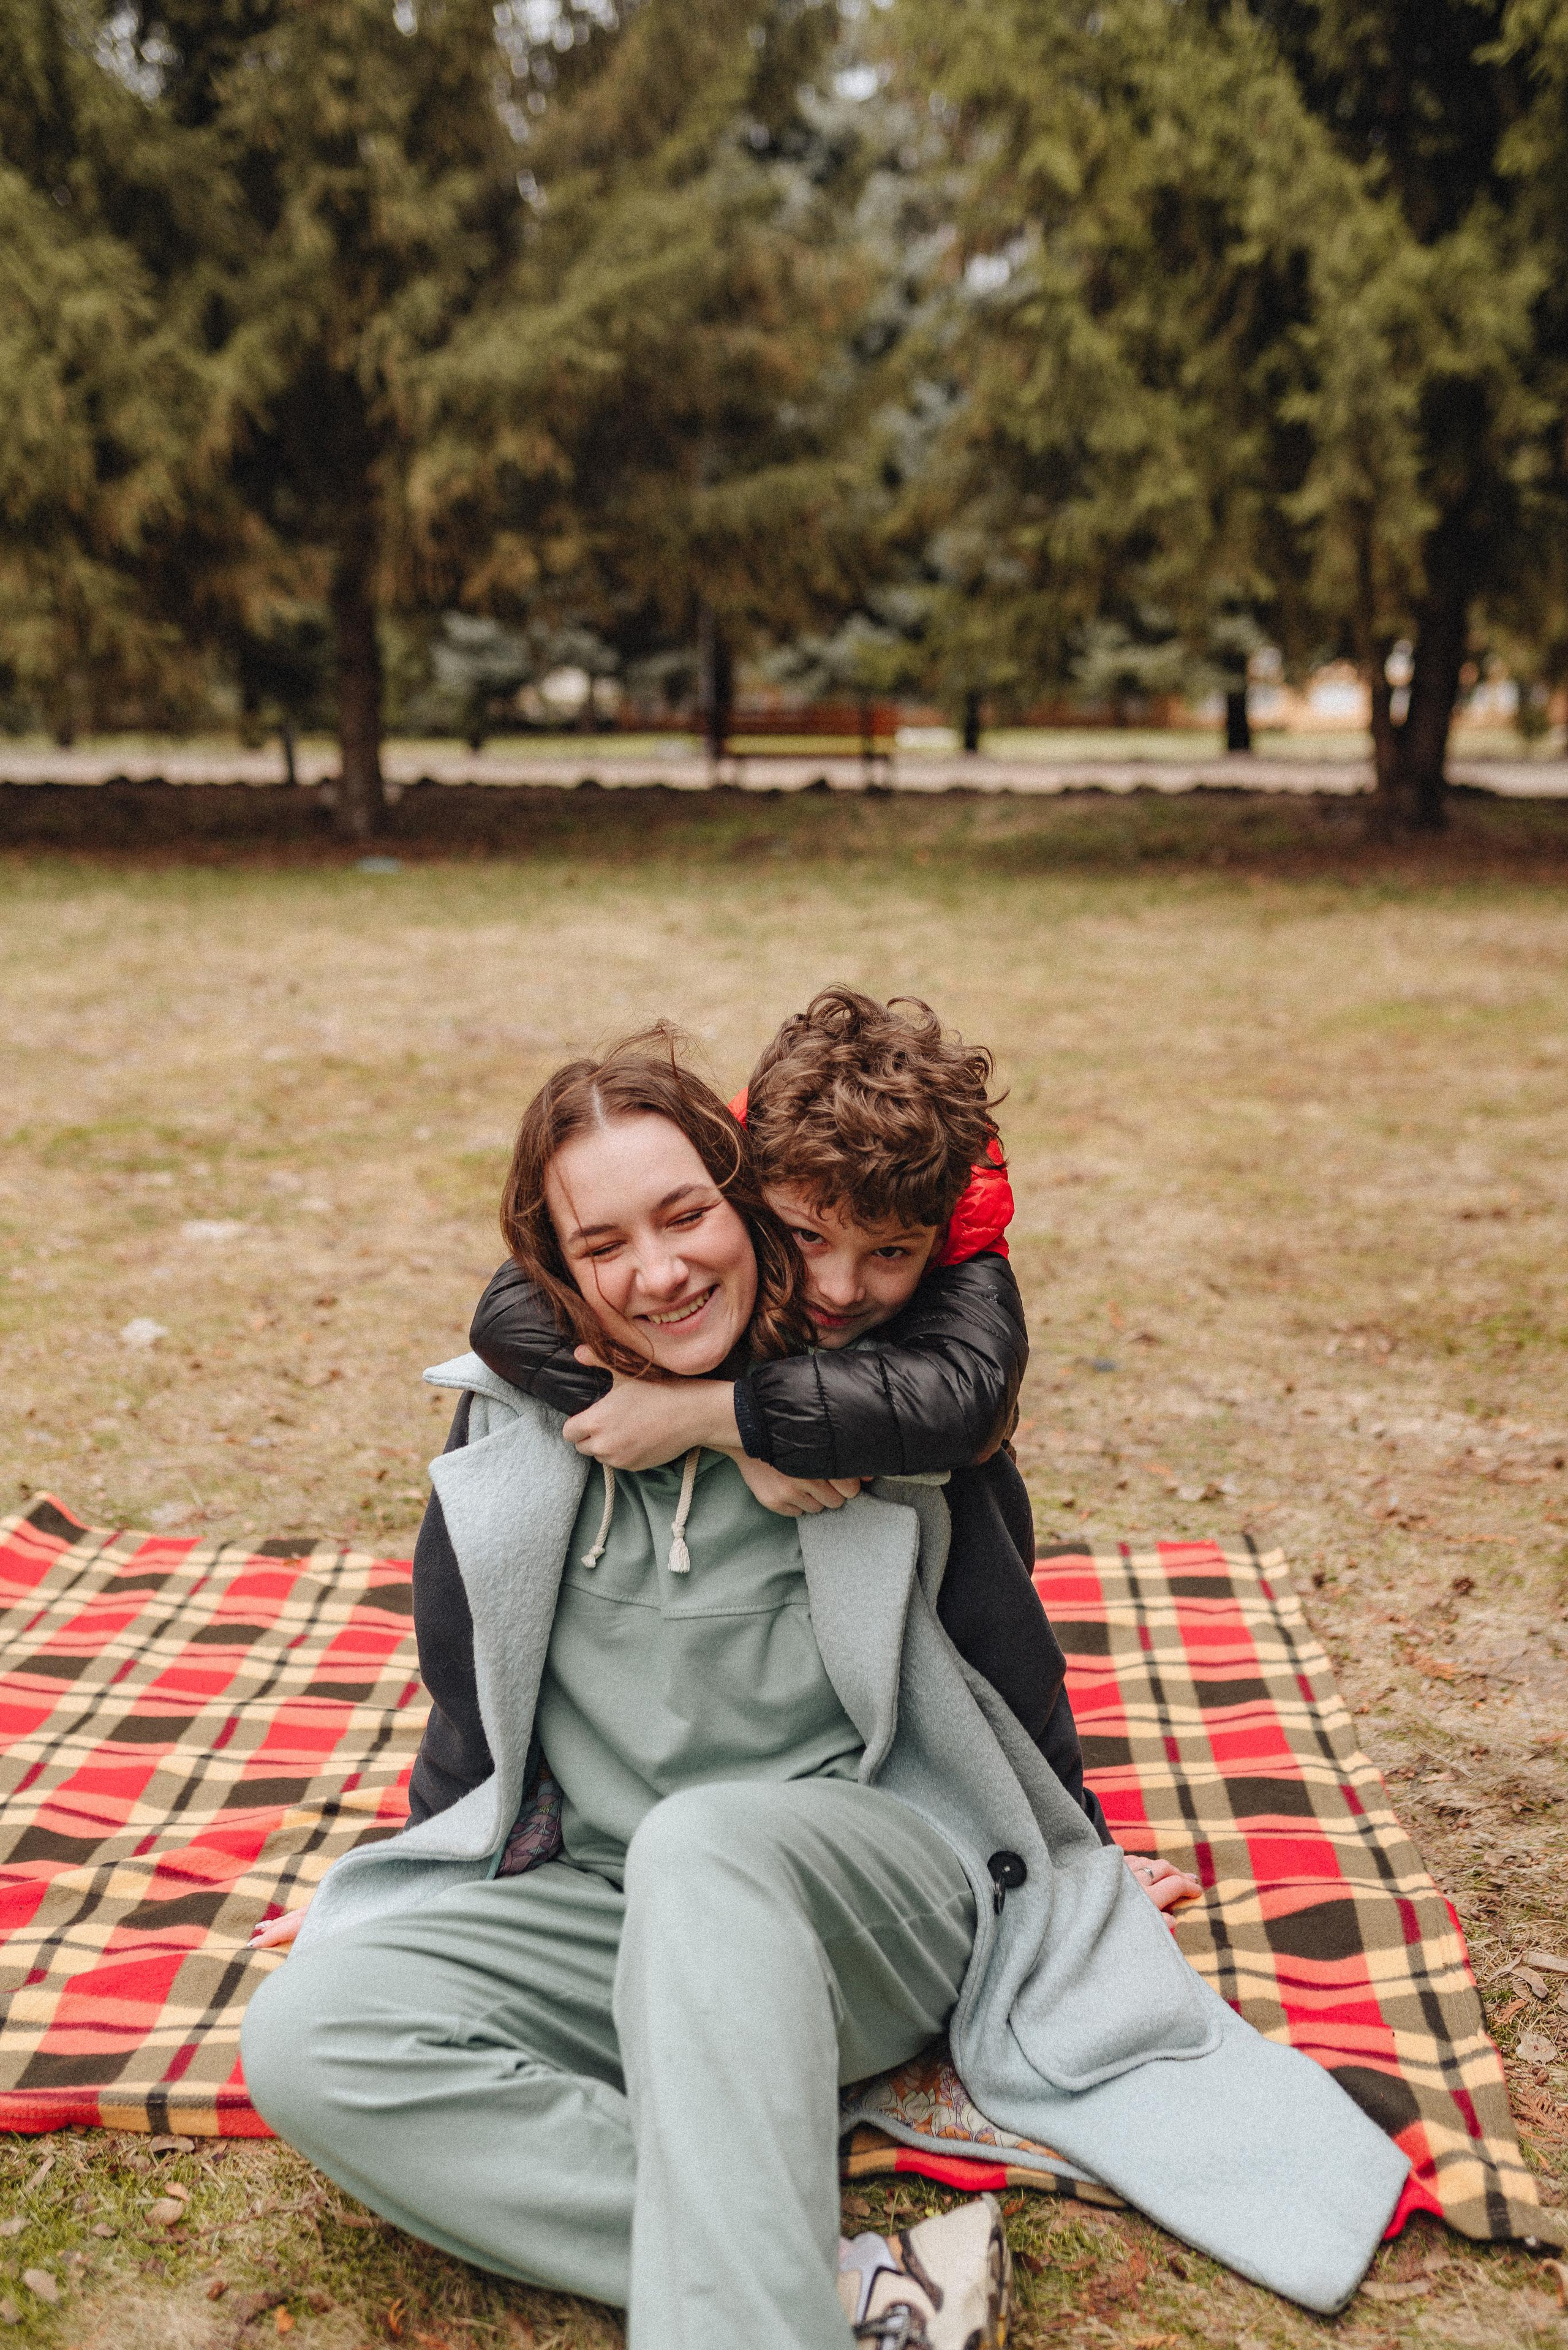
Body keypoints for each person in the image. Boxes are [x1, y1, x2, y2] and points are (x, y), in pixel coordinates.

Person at [242, 1036, 1409, 2350]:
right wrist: (428, 1860)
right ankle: (847, 2281)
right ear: (554, 1265)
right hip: (616, 1909)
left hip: (874, 1898)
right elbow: (474, 1689)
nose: (661, 1268)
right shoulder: (514, 1434)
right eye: (605, 1242)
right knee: (308, 2031)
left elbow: (1002, 1640)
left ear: (742, 1202)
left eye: (687, 1214)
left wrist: (1071, 1842)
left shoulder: (879, 1423)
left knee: (709, 1838)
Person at [466, 987, 1193, 1907]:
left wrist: (721, 1419)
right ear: (750, 1185)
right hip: (658, 1787)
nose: (841, 1288)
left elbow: (966, 1407)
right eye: (806, 1236)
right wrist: (662, 1399)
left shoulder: (962, 1241)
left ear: (944, 1225)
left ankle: (1049, 1835)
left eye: (890, 1252)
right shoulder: (708, 1207)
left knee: (968, 1486)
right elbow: (507, 1312)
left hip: (901, 1630)